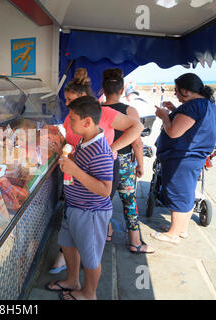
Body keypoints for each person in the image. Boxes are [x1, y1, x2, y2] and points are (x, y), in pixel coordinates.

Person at [47, 68, 143, 275]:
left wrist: (112, 149)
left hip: (100, 168)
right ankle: (72, 256)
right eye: (65, 99)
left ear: (83, 98)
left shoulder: (105, 113)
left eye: (70, 99)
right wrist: (58, 142)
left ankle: (86, 260)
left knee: (93, 214)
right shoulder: (71, 117)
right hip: (76, 169)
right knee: (73, 215)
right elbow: (72, 143)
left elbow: (137, 127)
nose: (67, 104)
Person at [53, 95, 114, 300]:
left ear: (87, 122)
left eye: (72, 119)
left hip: (91, 212)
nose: (69, 122)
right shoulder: (85, 140)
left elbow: (105, 189)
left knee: (91, 256)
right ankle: (72, 280)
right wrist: (71, 159)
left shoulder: (101, 150)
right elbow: (83, 167)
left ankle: (89, 293)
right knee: (68, 244)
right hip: (75, 207)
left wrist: (75, 170)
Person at [150, 73, 216, 244]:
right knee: (187, 192)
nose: (175, 94)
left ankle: (172, 234)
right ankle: (181, 229)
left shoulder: (192, 106)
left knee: (178, 193)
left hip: (182, 158)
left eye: (177, 91)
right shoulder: (208, 104)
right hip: (194, 157)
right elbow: (191, 124)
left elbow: (173, 132)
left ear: (186, 91)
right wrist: (174, 110)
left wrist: (164, 116)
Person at [101, 68, 155, 254]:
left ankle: (106, 233)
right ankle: (135, 241)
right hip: (123, 162)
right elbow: (137, 142)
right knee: (129, 201)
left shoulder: (97, 111)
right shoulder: (129, 110)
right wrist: (140, 164)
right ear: (122, 90)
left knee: (103, 199)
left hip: (102, 161)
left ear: (103, 89)